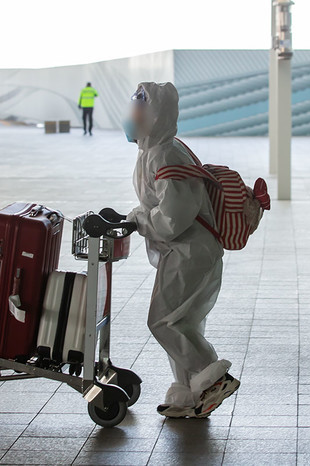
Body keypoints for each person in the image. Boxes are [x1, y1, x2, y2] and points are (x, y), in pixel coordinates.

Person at [123, 82, 240, 419]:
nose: (131, 119)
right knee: (183, 323)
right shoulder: (158, 150)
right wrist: (137, 218)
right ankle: (188, 394)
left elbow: (173, 218)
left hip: (190, 250)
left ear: (155, 116)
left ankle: (212, 378)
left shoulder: (164, 154)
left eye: (138, 112)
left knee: (162, 321)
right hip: (191, 250)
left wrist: (137, 221)